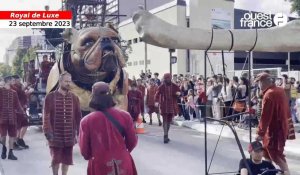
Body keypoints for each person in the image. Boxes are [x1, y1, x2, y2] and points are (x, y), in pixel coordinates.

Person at [79, 82, 138, 175]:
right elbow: (132, 142)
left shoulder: (86, 121)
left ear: (93, 96)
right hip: (123, 161)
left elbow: (84, 151)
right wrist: (122, 151)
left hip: (99, 164)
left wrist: (94, 156)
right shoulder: (125, 116)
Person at [254, 72, 294, 175]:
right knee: (267, 154)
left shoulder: (269, 94)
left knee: (276, 155)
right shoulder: (279, 90)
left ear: (264, 82)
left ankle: (286, 173)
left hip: (274, 130)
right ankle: (269, 172)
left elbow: (265, 116)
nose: (258, 85)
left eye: (259, 82)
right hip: (280, 127)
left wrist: (260, 133)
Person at [43, 72, 82, 175]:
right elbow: (46, 115)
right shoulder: (50, 97)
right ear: (60, 81)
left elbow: (78, 116)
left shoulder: (74, 98)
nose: (68, 83)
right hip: (55, 136)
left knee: (67, 160)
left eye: (69, 81)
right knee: (55, 160)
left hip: (69, 135)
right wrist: (47, 131)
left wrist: (79, 132)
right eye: (66, 81)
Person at [0, 76, 25, 160]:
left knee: (12, 136)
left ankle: (10, 153)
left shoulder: (14, 92)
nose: (13, 81)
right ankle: (4, 148)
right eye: (11, 80)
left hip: (12, 118)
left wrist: (22, 112)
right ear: (7, 81)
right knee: (3, 136)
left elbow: (17, 104)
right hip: (2, 118)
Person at [155, 73, 181, 143]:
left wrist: (178, 94)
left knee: (169, 121)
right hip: (164, 105)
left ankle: (166, 134)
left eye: (168, 78)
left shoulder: (174, 86)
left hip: (172, 105)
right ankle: (165, 135)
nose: (167, 79)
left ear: (170, 78)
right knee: (165, 120)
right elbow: (157, 94)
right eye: (166, 78)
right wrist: (156, 101)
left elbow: (179, 92)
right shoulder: (162, 86)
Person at [10, 75, 29, 149]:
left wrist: (25, 104)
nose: (18, 80)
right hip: (17, 110)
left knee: (25, 124)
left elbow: (24, 95)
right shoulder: (13, 87)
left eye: (19, 79)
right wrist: (24, 89)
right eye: (16, 79)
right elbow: (18, 94)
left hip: (22, 109)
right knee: (17, 127)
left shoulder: (20, 85)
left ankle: (20, 139)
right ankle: (14, 143)